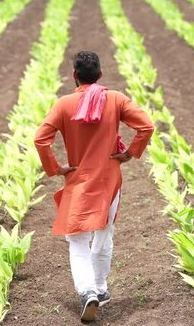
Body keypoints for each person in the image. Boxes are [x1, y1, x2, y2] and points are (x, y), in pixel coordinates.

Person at [34, 51, 154, 322]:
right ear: (100, 75)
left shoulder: (64, 104)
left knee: (77, 238)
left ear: (74, 76)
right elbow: (146, 126)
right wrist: (129, 153)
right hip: (109, 179)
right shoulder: (115, 99)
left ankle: (87, 290)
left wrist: (56, 169)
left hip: (78, 180)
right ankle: (100, 288)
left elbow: (40, 140)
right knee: (104, 233)